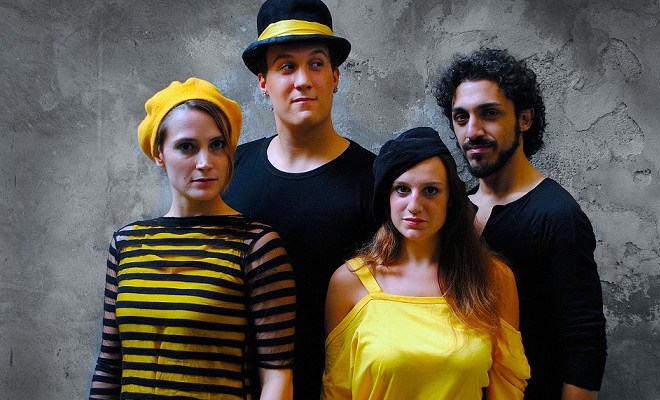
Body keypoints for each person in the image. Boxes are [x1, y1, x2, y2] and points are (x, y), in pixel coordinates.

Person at [90, 78, 296, 400]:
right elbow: (109, 365)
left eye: (217, 145)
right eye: (187, 146)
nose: (205, 162)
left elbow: (277, 377)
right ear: (159, 153)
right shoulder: (127, 243)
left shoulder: (256, 245)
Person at [222, 1, 378, 397]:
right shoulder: (228, 171)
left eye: (316, 64)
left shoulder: (378, 181)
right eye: (287, 66)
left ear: (335, 76)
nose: (303, 80)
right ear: (263, 81)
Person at [434, 48, 607, 400]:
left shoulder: (558, 216)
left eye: (489, 113)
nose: (472, 131)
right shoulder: (454, 208)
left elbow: (583, 344)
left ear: (524, 119)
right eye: (461, 117)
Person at [322, 127, 530, 399]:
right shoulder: (350, 282)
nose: (414, 205)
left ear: (450, 199)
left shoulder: (493, 278)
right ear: (386, 197)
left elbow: (507, 388)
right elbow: (337, 391)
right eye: (402, 190)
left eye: (431, 190)